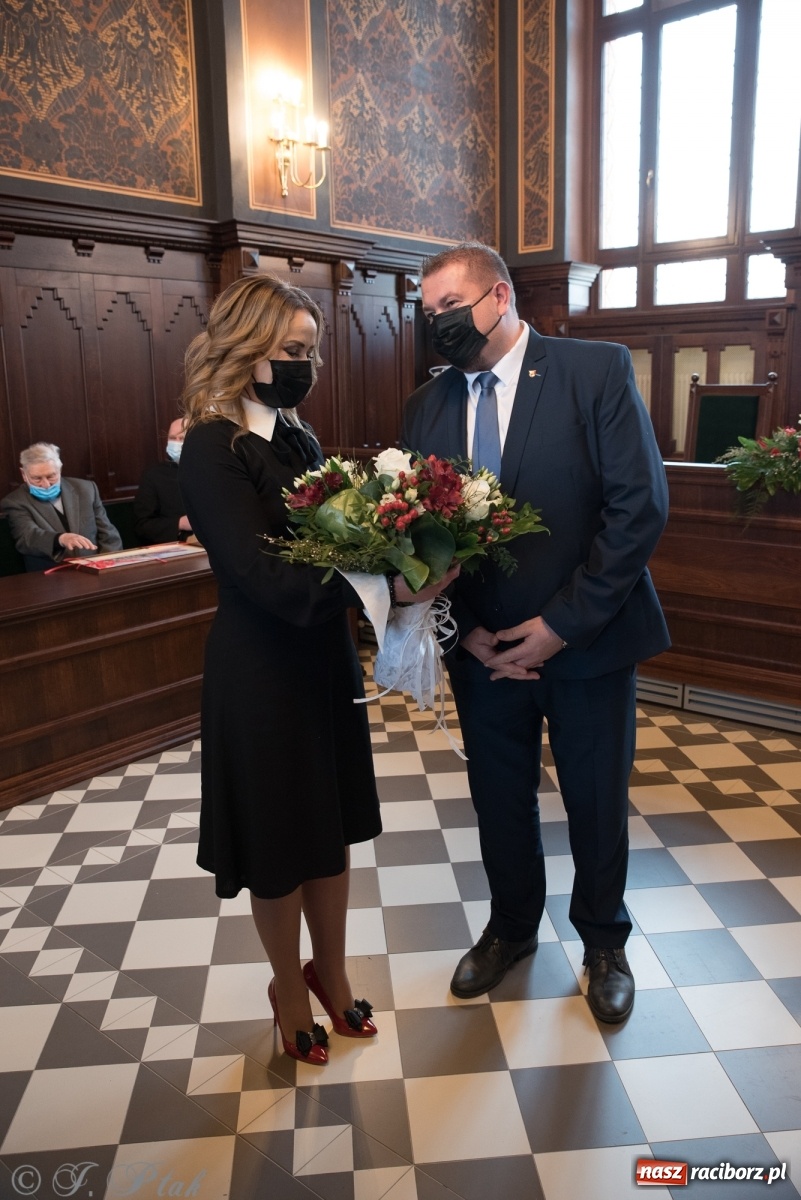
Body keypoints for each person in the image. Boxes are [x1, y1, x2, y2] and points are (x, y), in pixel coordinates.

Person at [179, 273, 456, 1064]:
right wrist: (382, 581)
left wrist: (402, 549)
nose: (308, 364)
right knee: (277, 841)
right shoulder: (212, 444)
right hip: (259, 670)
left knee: (328, 827)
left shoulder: (296, 435)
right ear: (247, 347)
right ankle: (286, 986)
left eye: (313, 351)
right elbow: (260, 575)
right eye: (294, 350)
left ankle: (329, 972)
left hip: (320, 660)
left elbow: (342, 540)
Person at [402, 242, 670, 1023]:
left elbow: (636, 509)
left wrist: (559, 626)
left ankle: (602, 943)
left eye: (451, 308)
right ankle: (512, 928)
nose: (438, 325)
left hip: (586, 640)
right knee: (497, 799)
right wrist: (469, 633)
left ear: (500, 297)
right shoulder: (427, 405)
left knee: (594, 800)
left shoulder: (594, 371)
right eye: (428, 315)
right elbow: (421, 535)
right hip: (483, 649)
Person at [1, 442, 123, 572]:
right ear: (24, 474)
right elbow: (28, 538)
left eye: (51, 476)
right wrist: (60, 539)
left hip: (95, 569)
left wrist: (108, 564)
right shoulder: (15, 502)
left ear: (60, 469)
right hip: (51, 577)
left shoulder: (86, 489)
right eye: (37, 478)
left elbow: (108, 534)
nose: (46, 484)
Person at [133, 418, 194, 545]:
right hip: (176, 548)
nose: (176, 443)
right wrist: (180, 523)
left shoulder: (216, 471)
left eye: (182, 438)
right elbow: (142, 526)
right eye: (172, 438)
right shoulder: (153, 475)